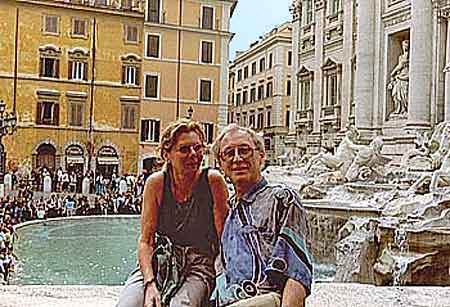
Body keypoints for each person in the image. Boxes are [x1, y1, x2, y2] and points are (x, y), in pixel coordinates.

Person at [116, 119, 229, 307]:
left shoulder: (213, 181)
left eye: (198, 148)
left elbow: (224, 240)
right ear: (167, 154)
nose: (193, 154)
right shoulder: (156, 183)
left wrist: (224, 280)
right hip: (160, 261)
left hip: (198, 265)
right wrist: (150, 283)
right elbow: (146, 241)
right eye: (184, 149)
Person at [211, 124, 312, 307]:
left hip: (267, 299)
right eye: (229, 153)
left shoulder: (282, 199)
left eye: (245, 150)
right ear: (221, 164)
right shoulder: (229, 210)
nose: (237, 158)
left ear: (261, 156)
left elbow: (297, 273)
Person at [388, 39, 409, 117]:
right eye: (403, 45)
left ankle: (405, 109)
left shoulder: (409, 56)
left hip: (405, 75)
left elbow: (400, 66)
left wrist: (393, 73)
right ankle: (398, 109)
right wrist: (393, 74)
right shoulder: (401, 57)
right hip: (399, 77)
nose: (405, 47)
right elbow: (399, 66)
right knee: (395, 94)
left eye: (406, 45)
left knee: (404, 94)